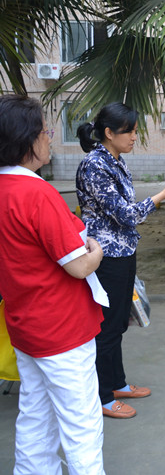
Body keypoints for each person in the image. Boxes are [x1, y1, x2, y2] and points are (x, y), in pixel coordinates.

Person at [0, 94, 106, 474]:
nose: (49, 138)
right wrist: (97, 250)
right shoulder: (37, 193)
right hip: (61, 328)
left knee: (35, 413)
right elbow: (78, 266)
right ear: (28, 140)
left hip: (25, 325)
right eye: (45, 131)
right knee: (81, 422)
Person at [76, 103, 165, 419]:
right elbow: (125, 214)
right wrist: (162, 195)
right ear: (109, 133)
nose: (135, 137)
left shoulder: (116, 161)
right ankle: (103, 397)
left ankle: (118, 384)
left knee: (119, 323)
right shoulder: (94, 165)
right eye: (130, 131)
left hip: (124, 251)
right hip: (105, 256)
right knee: (106, 327)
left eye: (135, 131)